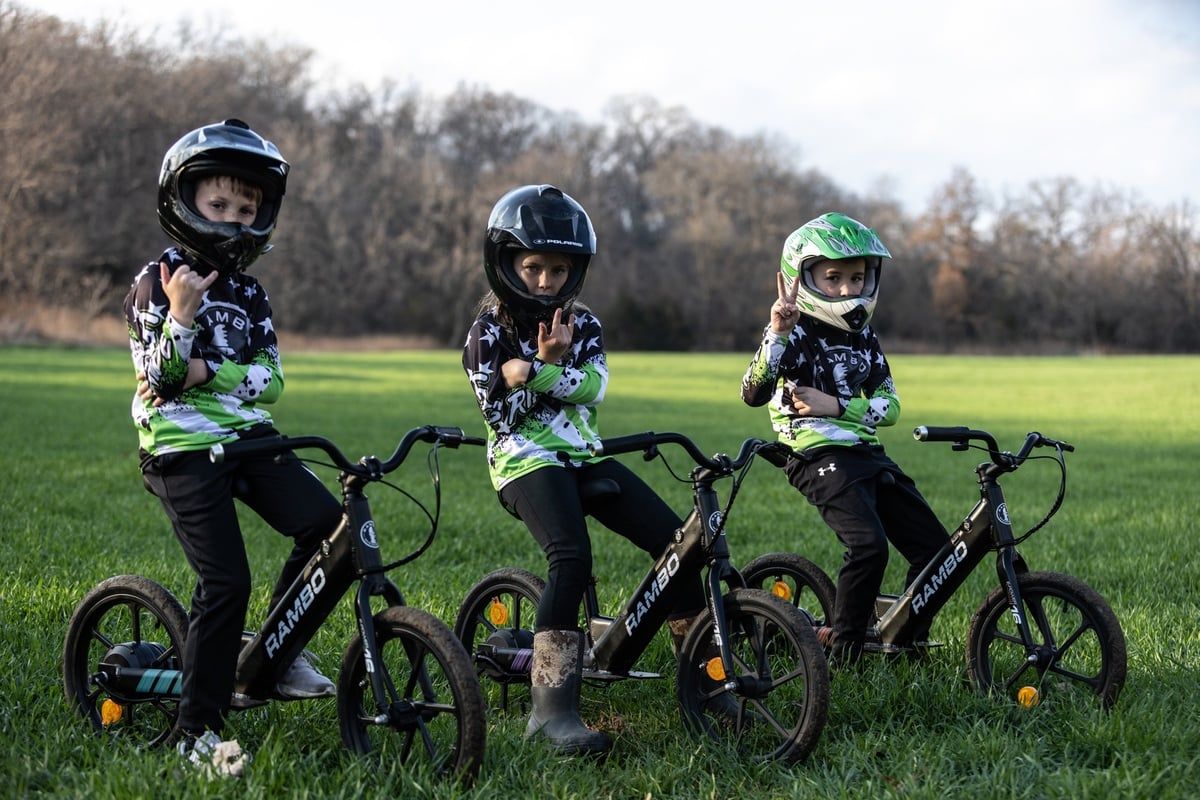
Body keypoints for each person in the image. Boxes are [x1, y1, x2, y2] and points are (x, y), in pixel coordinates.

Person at [124, 119, 342, 773]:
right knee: (226, 580)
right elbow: (160, 380)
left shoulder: (249, 292)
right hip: (179, 448)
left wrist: (207, 372)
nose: (234, 218)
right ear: (183, 201)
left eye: (247, 208)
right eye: (219, 205)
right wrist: (182, 318)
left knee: (332, 528)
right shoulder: (153, 282)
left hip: (246, 437)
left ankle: (274, 651)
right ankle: (197, 730)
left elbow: (270, 381)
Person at [462, 184, 712, 756]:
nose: (545, 281)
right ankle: (550, 714)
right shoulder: (487, 332)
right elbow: (500, 415)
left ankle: (707, 681)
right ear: (506, 264)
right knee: (570, 558)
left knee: (680, 545)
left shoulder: (586, 323)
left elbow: (594, 386)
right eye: (532, 268)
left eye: (557, 269)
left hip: (583, 455)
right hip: (524, 461)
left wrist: (538, 371)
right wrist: (542, 371)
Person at [740, 212, 950, 664]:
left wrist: (837, 406)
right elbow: (752, 393)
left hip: (867, 451)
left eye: (857, 278)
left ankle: (903, 638)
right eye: (832, 278)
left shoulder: (865, 337)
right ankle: (847, 650)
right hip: (814, 454)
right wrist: (776, 330)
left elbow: (890, 406)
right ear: (803, 276)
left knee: (936, 551)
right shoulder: (792, 332)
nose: (846, 290)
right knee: (868, 546)